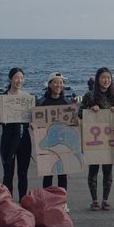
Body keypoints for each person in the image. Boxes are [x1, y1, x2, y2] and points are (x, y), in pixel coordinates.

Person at [80, 67, 114, 211]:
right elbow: (80, 113)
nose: (106, 80)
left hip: (110, 139)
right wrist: (91, 110)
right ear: (98, 79)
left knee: (108, 171)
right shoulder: (89, 95)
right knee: (93, 170)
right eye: (103, 77)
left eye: (108, 78)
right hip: (94, 139)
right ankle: (94, 200)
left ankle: (105, 200)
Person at [36, 72, 73, 212]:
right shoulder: (41, 102)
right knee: (48, 173)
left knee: (63, 174)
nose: (59, 85)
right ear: (50, 84)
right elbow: (35, 121)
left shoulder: (67, 102)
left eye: (61, 82)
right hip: (47, 143)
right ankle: (47, 203)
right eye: (56, 82)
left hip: (63, 143)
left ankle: (62, 203)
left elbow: (72, 124)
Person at [0, 67, 32, 200]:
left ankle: (23, 201)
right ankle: (8, 202)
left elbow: (32, 118)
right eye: (16, 77)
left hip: (24, 139)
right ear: (10, 79)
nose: (19, 80)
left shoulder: (27, 97)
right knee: (8, 174)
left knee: (23, 174)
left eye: (21, 78)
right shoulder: (3, 98)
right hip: (8, 138)